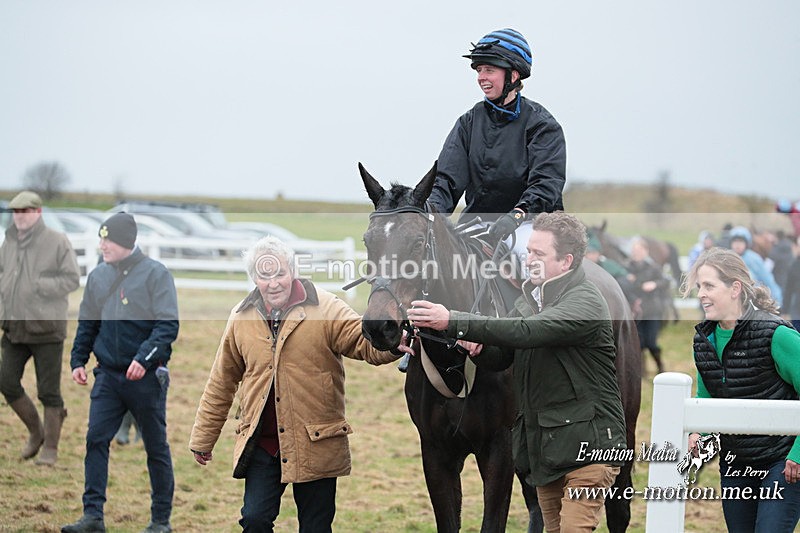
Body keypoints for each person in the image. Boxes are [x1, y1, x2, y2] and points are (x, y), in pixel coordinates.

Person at [407, 212, 627, 532]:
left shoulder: (585, 302)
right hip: (549, 450)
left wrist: (454, 320)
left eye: (538, 254)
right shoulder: (530, 300)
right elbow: (504, 353)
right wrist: (479, 347)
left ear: (566, 261)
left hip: (589, 449)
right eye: (529, 251)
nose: (528, 259)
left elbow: (527, 331)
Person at [189, 236, 409, 532]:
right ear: (254, 278)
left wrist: (394, 344)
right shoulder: (240, 318)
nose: (274, 283)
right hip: (263, 445)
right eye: (265, 276)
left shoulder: (326, 307)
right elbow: (221, 381)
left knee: (315, 527)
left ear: (292, 271)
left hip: (315, 442)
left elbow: (364, 344)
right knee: (254, 520)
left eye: (280, 273)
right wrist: (203, 439)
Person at [62, 213, 179, 533]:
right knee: (95, 440)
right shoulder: (98, 277)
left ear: (126, 242)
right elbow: (88, 322)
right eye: (100, 239)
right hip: (108, 377)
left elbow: (167, 325)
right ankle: (92, 517)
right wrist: (77, 360)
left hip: (146, 379)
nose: (102, 246)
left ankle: (160, 521)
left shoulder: (156, 275)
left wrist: (143, 359)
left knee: (156, 447)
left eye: (107, 240)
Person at [682, 247, 800, 532]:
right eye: (699, 286)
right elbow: (707, 398)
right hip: (736, 464)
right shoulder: (703, 339)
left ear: (735, 288)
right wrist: (699, 432)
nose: (701, 294)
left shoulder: (777, 334)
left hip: (783, 462)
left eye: (709, 285)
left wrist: (798, 454)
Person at [427, 28, 566, 257]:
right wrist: (431, 214)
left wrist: (516, 216)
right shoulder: (468, 122)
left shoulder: (543, 126)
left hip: (527, 228)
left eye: (489, 70)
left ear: (513, 76)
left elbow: (546, 185)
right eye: (479, 70)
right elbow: (446, 180)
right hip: (476, 225)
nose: (481, 77)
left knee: (532, 264)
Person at [0, 191, 80, 465]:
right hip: (14, 327)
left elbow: (72, 279)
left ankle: (51, 450)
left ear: (38, 212)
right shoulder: (9, 241)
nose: (20, 216)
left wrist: (39, 286)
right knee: (6, 381)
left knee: (49, 391)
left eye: (25, 211)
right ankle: (36, 432)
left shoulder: (57, 241)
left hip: (46, 330)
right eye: (16, 211)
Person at [626, 238, 671, 374]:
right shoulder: (627, 268)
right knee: (638, 343)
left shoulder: (654, 268)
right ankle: (642, 371)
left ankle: (660, 366)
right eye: (634, 251)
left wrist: (654, 284)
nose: (637, 253)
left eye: (639, 250)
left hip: (652, 310)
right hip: (635, 311)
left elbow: (665, 282)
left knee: (651, 342)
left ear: (646, 252)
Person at [727, 226, 783, 308]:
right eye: (735, 242)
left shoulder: (754, 258)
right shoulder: (727, 258)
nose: (737, 245)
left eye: (741, 242)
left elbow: (767, 279)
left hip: (754, 300)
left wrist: (777, 300)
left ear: (747, 243)